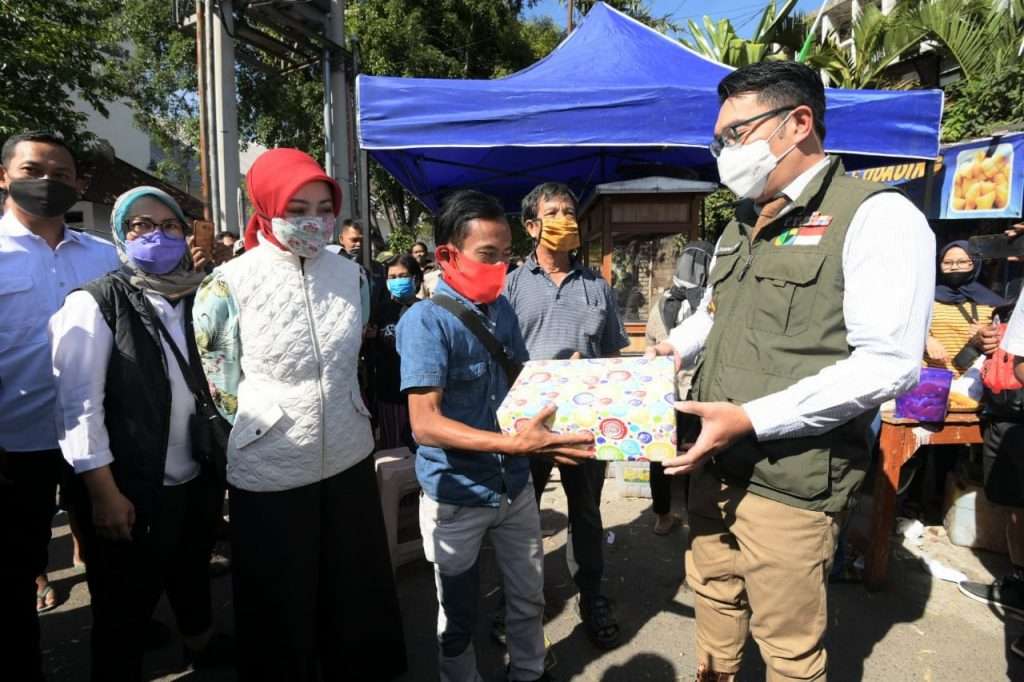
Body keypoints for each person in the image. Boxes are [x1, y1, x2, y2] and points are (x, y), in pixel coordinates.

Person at [646, 61, 934, 681]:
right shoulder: (741, 222)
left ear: (798, 123)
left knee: (788, 646)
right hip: (714, 464)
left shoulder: (878, 217)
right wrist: (676, 348)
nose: (725, 151)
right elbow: (716, 314)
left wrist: (751, 418)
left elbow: (889, 364)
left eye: (736, 134)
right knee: (715, 601)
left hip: (792, 481)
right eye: (720, 139)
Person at [197, 148, 406, 681]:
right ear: (266, 208)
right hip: (270, 464)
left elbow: (349, 356)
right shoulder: (227, 284)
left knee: (352, 586)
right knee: (279, 595)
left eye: (323, 206)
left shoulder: (353, 276)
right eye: (296, 208)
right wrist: (266, 422)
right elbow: (222, 386)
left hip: (347, 450)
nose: (312, 221)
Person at [396, 189, 594, 682]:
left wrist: (560, 379)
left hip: (514, 487)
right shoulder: (424, 321)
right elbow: (425, 423)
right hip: (456, 494)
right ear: (447, 255)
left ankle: (528, 671)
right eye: (488, 255)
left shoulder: (501, 311)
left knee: (528, 595)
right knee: (459, 614)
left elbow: (518, 381)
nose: (499, 267)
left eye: (505, 256)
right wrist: (515, 444)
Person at [50, 186, 229, 680]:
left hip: (194, 474)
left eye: (170, 225)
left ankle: (201, 644)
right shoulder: (95, 303)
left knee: (191, 571)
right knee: (124, 603)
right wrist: (103, 493)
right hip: (130, 485)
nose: (158, 235)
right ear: (120, 237)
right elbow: (78, 408)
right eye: (141, 226)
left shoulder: (195, 294)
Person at [0, 130, 119, 682]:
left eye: (62, 173)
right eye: (32, 170)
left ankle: (117, 652)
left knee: (112, 556)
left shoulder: (105, 257)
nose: (48, 182)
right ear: (4, 176)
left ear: (77, 184)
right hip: (12, 443)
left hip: (93, 442)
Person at [503, 181, 629, 650]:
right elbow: (499, 355)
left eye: (570, 212)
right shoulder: (512, 284)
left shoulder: (598, 285)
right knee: (520, 516)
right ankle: (517, 601)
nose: (565, 220)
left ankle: (592, 595)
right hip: (527, 425)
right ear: (532, 226)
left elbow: (614, 355)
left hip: (585, 426)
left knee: (587, 514)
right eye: (553, 212)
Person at [643, 241, 713, 536]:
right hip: (701, 396)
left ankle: (662, 515)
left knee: (661, 454)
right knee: (697, 455)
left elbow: (649, 345)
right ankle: (698, 519)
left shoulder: (662, 304)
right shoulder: (710, 306)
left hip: (665, 394)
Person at [925, 240, 1002, 378]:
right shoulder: (926, 298)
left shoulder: (994, 303)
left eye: (962, 262)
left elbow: (1010, 343)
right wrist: (926, 339)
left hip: (977, 383)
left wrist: (985, 335)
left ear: (975, 264)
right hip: (932, 379)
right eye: (947, 263)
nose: (954, 267)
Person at [369, 253, 422, 450]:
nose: (397, 280)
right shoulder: (380, 311)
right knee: (396, 450)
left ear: (415, 278)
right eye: (392, 277)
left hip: (422, 393)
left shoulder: (427, 310)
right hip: (390, 393)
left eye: (402, 276)